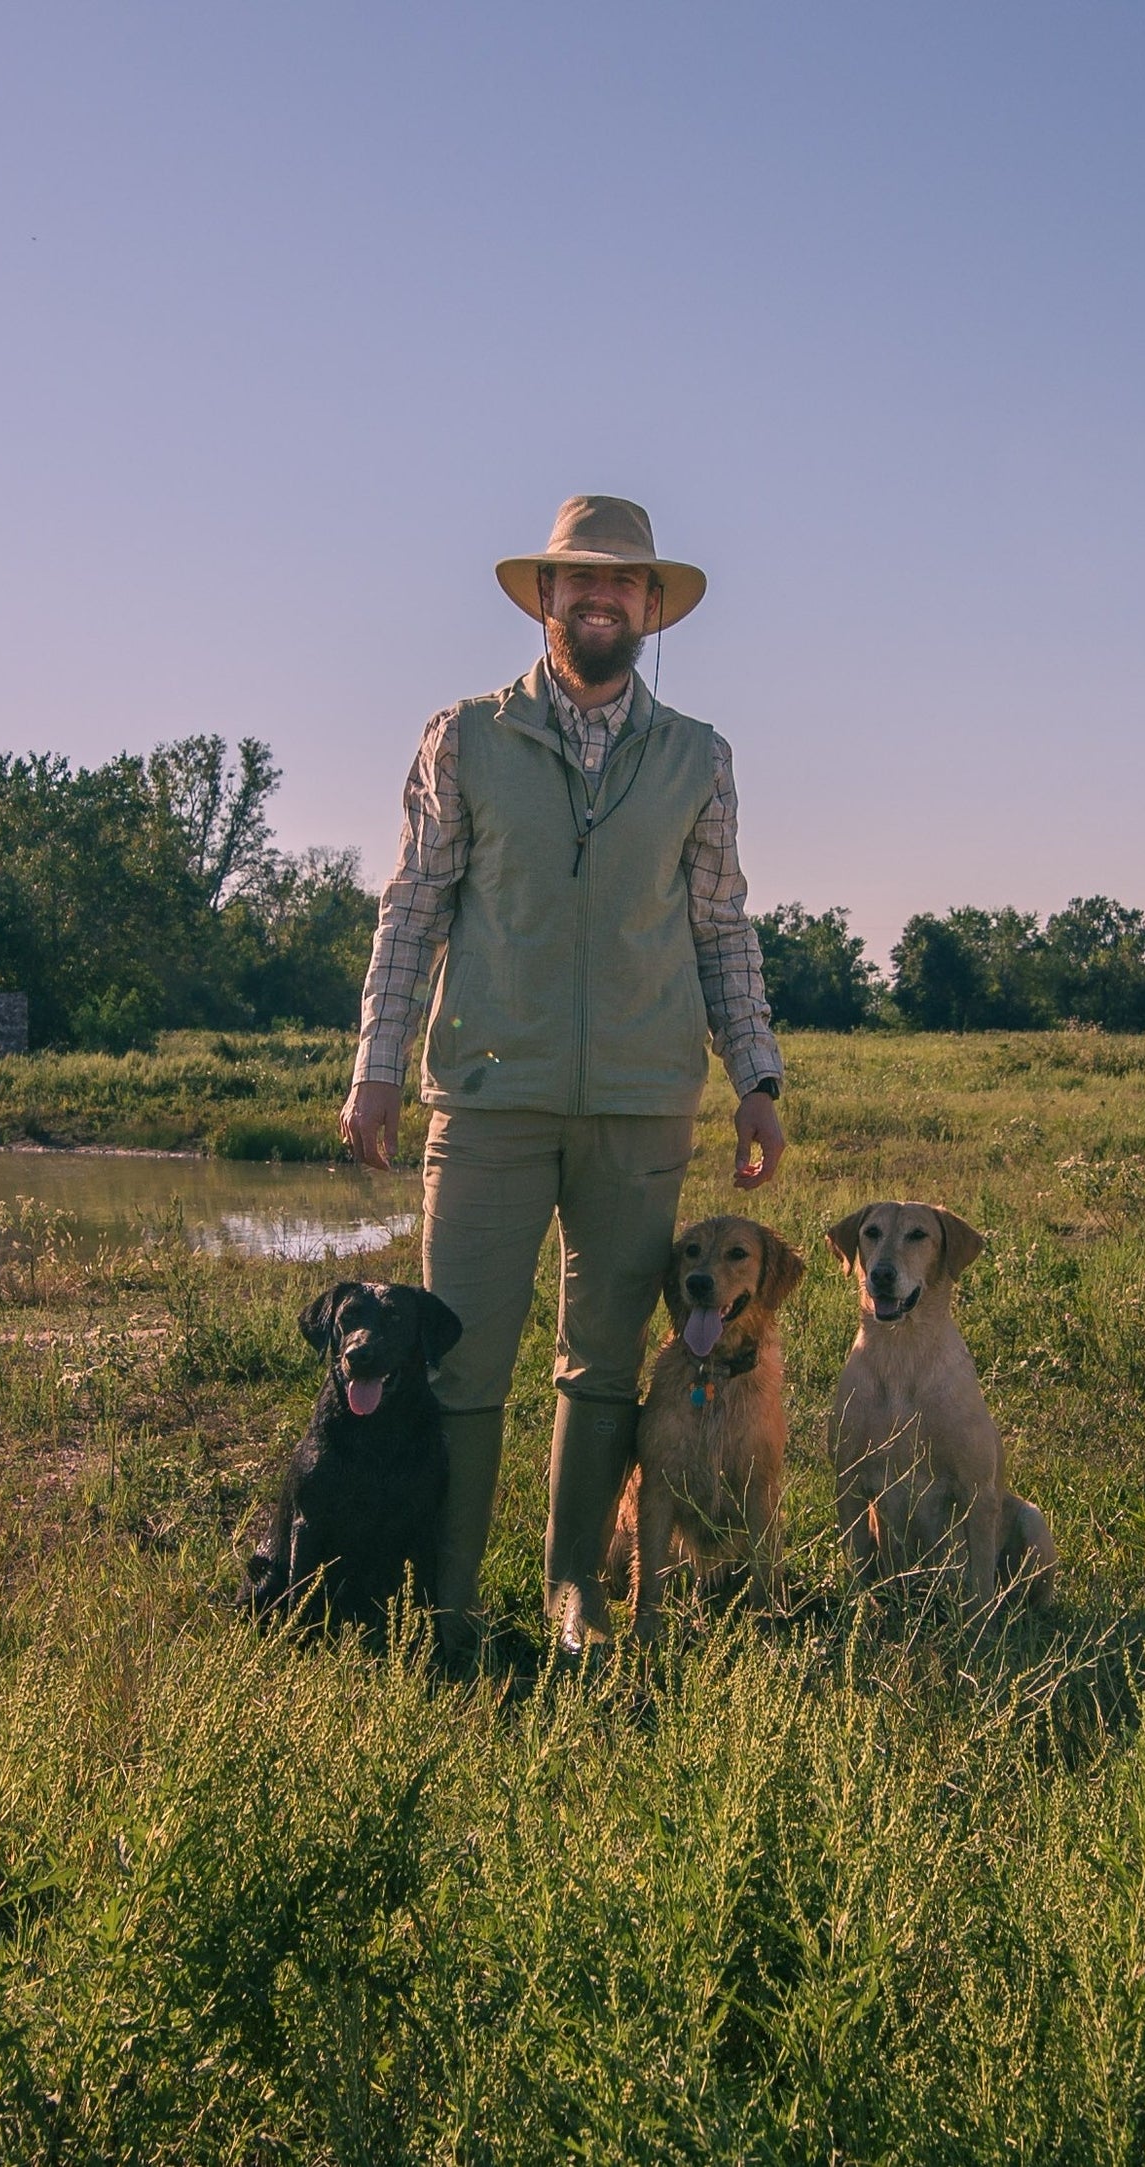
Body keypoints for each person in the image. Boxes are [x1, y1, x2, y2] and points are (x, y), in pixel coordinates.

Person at [343, 494, 786, 1652]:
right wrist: (376, 1067)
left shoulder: (700, 757)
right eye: (577, 579)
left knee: (600, 1365)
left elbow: (722, 926)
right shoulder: (467, 737)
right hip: (487, 1094)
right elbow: (413, 909)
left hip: (641, 1102)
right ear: (544, 598)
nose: (601, 597)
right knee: (461, 1360)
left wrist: (758, 1076)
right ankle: (448, 1605)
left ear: (653, 608)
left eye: (624, 583)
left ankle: (574, 1592)